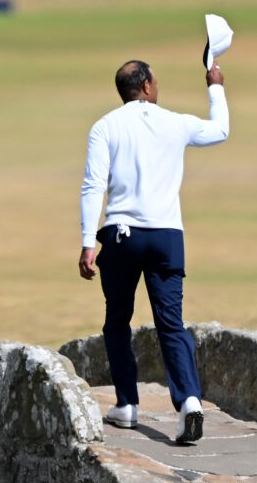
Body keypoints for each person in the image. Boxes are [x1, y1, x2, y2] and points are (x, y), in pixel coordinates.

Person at [77, 59, 229, 444]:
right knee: (171, 324)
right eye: (155, 80)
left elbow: (93, 185)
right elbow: (221, 130)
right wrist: (215, 86)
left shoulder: (105, 126)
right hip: (166, 236)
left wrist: (86, 242)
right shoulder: (175, 122)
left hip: (121, 235)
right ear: (145, 86)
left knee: (117, 321)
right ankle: (189, 401)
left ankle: (127, 404)